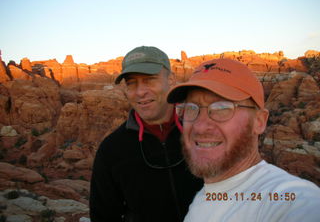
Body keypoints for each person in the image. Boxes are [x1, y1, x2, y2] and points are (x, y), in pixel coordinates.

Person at [167, 58, 320, 222]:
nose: (200, 127)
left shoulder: (291, 199)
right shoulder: (202, 199)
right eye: (191, 108)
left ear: (259, 121)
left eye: (222, 108)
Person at [90, 46, 202, 222]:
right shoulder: (112, 149)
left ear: (171, 80)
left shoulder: (203, 132)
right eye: (131, 83)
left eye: (149, 79)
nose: (140, 92)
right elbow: (103, 216)